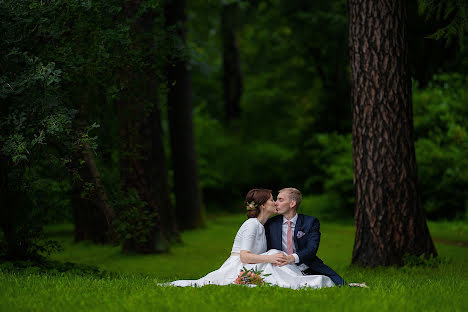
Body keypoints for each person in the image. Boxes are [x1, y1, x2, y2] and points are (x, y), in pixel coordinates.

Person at [168, 189, 335, 289]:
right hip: (239, 265)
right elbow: (244, 256)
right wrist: (270, 257)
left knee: (275, 254)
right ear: (263, 205)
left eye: (277, 199)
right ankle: (302, 282)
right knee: (274, 255)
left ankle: (302, 279)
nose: (275, 203)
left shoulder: (263, 226)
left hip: (254, 263)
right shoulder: (252, 225)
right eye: (272, 200)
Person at [265, 187, 346, 286]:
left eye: (280, 200)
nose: (276, 203)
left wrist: (291, 258)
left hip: (306, 265)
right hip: (280, 267)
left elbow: (312, 249)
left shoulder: (310, 222)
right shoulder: (271, 223)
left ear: (292, 204)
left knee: (339, 284)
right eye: (276, 199)